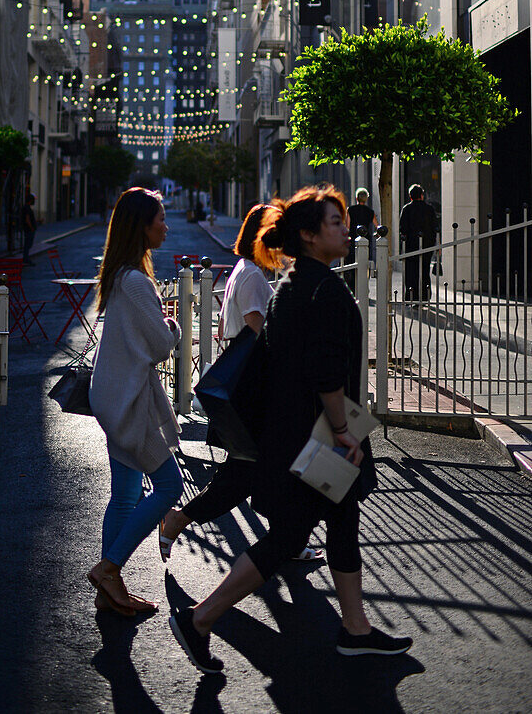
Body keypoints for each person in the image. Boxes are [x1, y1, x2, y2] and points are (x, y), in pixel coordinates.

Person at [169, 186, 412, 674]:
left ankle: (356, 630)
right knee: (290, 536)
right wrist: (344, 432)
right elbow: (325, 373)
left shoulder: (297, 281)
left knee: (342, 521)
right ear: (308, 234)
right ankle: (201, 618)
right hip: (317, 436)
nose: (346, 229)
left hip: (300, 434)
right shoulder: (321, 288)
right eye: (335, 222)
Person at [158, 203, 322, 564]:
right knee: (246, 472)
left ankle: (289, 541)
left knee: (263, 468)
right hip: (254, 388)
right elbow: (257, 328)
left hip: (253, 386)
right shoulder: (250, 276)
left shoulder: (247, 272)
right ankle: (179, 520)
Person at [87, 188, 184, 617]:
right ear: (142, 226)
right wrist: (174, 323)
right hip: (131, 403)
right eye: (160, 219)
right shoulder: (137, 281)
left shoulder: (120, 275)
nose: (166, 225)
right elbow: (163, 346)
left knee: (125, 494)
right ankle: (108, 570)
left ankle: (110, 591)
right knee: (169, 487)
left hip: (113, 399)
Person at [399, 184, 438, 301]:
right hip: (427, 245)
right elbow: (435, 227)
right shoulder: (429, 209)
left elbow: (403, 228)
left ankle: (411, 296)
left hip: (411, 246)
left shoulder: (406, 209)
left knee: (411, 272)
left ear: (410, 196)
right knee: (425, 271)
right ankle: (425, 296)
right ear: (422, 195)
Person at [345, 188, 378, 292]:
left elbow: (347, 226)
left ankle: (352, 288)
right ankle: (363, 287)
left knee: (352, 265)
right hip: (366, 241)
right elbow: (377, 226)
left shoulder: (350, 210)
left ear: (356, 198)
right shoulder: (370, 212)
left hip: (353, 241)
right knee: (364, 265)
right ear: (367, 198)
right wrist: (376, 234)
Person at [21, 193, 37, 266]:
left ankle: (26, 258)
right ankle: (26, 259)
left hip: (29, 229)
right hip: (29, 229)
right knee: (28, 244)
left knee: (28, 244)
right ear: (30, 200)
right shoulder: (27, 208)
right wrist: (31, 228)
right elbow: (27, 219)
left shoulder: (27, 208)